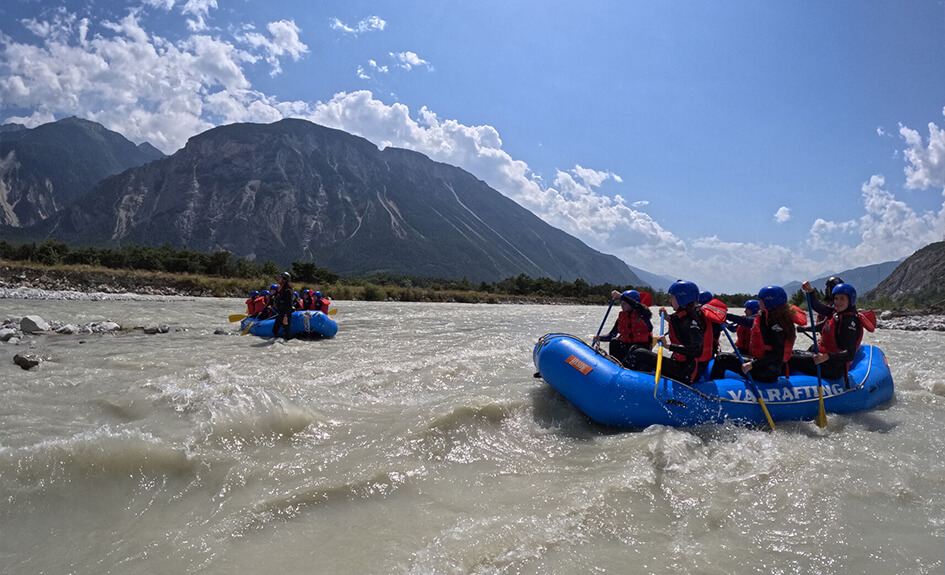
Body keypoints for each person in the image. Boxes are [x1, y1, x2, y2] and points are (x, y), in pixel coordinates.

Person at [629, 280, 711, 384]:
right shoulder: (684, 316)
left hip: (684, 371)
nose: (669, 300)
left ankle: (624, 381)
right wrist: (667, 317)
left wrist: (668, 346)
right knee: (635, 349)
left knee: (638, 353)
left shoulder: (692, 322)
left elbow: (696, 350)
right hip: (679, 365)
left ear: (681, 299)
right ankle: (636, 380)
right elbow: (679, 323)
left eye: (672, 297)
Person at [710, 286, 796, 383]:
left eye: (761, 301)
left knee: (722, 358)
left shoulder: (776, 324)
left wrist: (752, 364)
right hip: (763, 365)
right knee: (725, 357)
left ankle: (713, 389)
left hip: (767, 371)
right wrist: (725, 316)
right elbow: (746, 321)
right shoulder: (767, 318)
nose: (759, 303)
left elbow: (778, 355)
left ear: (769, 302)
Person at [789, 282, 862, 381]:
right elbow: (818, 307)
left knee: (790, 359)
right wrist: (810, 292)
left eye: (842, 298)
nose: (838, 302)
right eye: (836, 298)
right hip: (824, 358)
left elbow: (850, 355)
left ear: (850, 300)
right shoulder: (837, 313)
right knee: (791, 353)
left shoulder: (849, 322)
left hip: (833, 367)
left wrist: (827, 357)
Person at [593, 289, 653, 368]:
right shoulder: (622, 318)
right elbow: (611, 335)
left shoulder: (643, 313)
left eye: (625, 303)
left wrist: (621, 296)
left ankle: (626, 368)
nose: (622, 305)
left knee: (634, 349)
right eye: (621, 303)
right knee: (614, 341)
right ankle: (614, 365)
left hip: (641, 349)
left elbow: (637, 306)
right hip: (627, 348)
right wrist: (599, 338)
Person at [271, 271, 296, 340]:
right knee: (274, 330)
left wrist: (286, 316)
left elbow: (289, 304)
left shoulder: (288, 291)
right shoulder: (282, 289)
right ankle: (277, 342)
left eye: (280, 278)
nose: (279, 279)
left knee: (286, 333)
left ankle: (287, 343)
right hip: (280, 313)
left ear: (284, 279)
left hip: (285, 314)